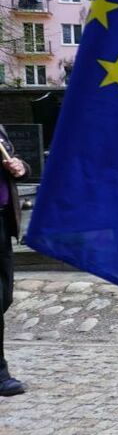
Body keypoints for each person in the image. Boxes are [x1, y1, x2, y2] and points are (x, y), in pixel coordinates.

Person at [0, 126, 29, 397]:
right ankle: (1, 373)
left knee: (4, 297)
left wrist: (20, 166)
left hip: (2, 222)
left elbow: (15, 159)